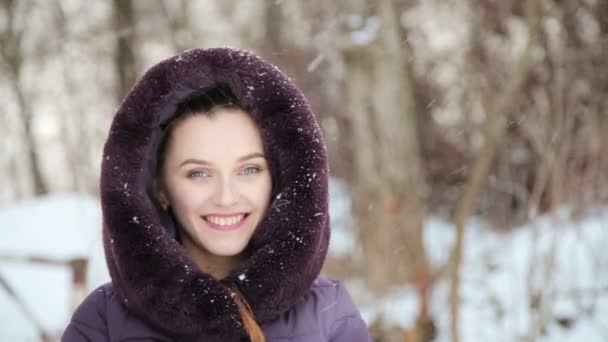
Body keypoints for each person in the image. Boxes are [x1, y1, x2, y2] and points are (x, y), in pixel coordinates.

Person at [62, 47, 372, 341]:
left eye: (249, 169)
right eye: (199, 173)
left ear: (276, 178)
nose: (226, 197)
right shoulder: (102, 320)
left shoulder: (331, 313)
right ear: (161, 190)